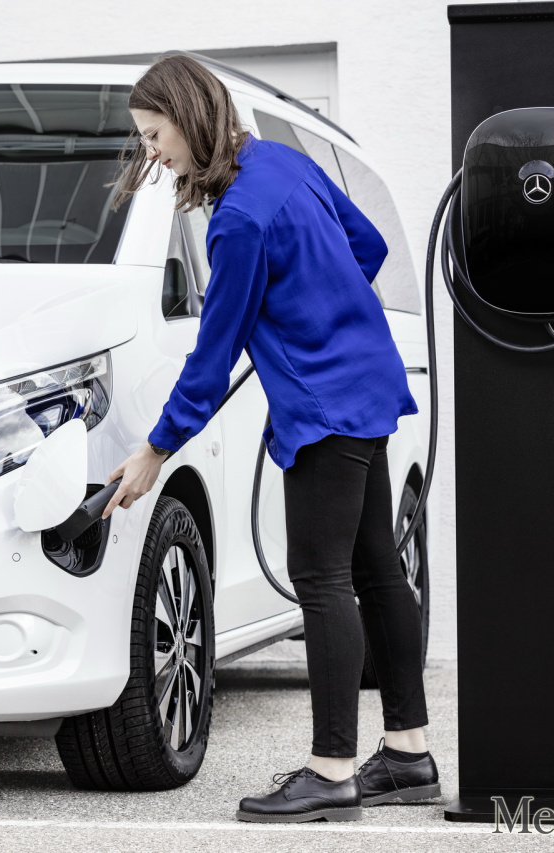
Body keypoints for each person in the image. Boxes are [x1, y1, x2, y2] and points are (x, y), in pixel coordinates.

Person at [100, 54, 439, 823]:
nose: (152, 151)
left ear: (189, 119)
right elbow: (367, 248)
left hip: (323, 406)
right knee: (377, 568)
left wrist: (155, 449)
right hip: (367, 382)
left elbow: (211, 358)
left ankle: (332, 771)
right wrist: (315, 311)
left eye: (155, 134)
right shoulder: (284, 162)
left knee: (322, 578)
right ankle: (409, 753)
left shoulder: (238, 222)